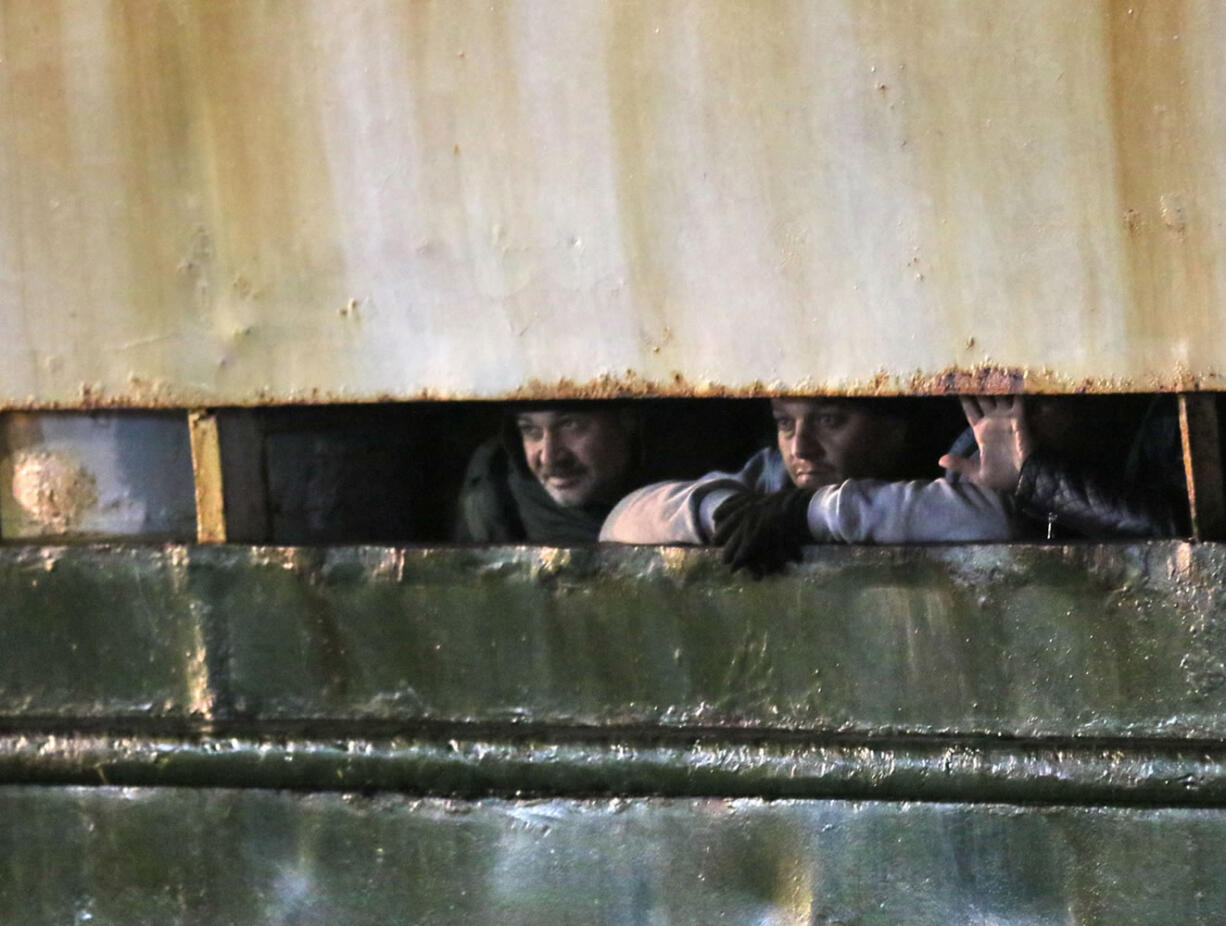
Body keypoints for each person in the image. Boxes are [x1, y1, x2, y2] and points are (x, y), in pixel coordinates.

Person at [599, 397, 1014, 576]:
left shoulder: (951, 458)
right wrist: (724, 513)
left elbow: (992, 520)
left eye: (831, 421)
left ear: (894, 430)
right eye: (784, 423)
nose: (801, 447)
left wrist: (809, 513)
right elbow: (620, 523)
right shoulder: (772, 475)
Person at [938, 394, 1187, 538]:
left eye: (1036, 402)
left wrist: (1033, 476)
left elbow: (1181, 540)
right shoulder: (982, 451)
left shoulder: (1171, 422)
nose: (1017, 423)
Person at [454, 402, 644, 543]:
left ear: (627, 419)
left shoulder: (668, 490)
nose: (548, 457)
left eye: (570, 425)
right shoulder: (495, 483)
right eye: (530, 430)